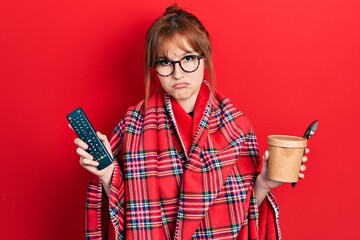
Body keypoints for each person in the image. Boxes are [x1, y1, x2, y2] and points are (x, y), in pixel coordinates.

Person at [71, 4, 309, 240]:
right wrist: (107, 173)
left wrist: (264, 184)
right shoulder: (133, 124)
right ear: (154, 68)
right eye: (165, 62)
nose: (178, 73)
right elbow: (129, 212)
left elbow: (243, 212)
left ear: (204, 60)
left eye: (188, 58)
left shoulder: (236, 126)